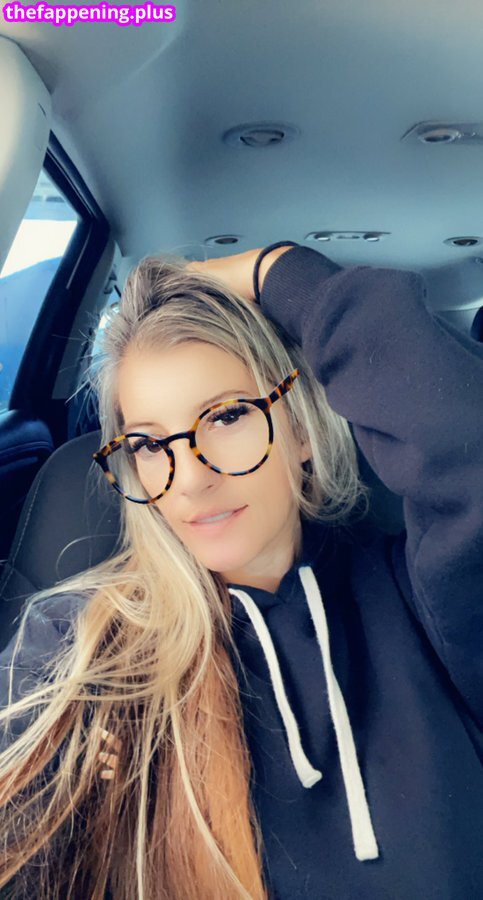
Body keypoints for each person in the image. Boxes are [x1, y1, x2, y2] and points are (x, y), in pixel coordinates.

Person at [0, 241, 482, 900]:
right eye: (148, 444)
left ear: (302, 428)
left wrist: (280, 270)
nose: (189, 480)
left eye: (227, 416)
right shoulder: (77, 647)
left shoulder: (427, 602)